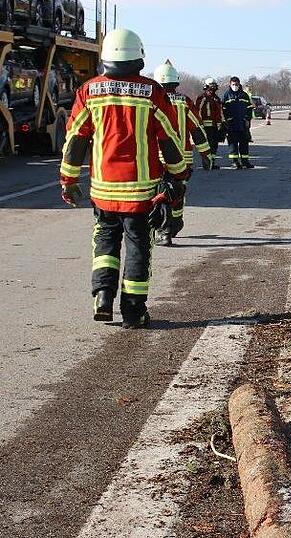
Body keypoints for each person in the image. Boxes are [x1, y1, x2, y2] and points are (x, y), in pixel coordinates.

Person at [59, 28, 191, 329]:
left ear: (105, 57)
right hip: (141, 194)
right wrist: (179, 175)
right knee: (138, 248)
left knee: (105, 242)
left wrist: (68, 180)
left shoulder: (89, 91)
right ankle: (133, 312)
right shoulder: (152, 92)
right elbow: (169, 139)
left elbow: (75, 140)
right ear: (139, 57)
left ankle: (103, 296)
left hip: (103, 191)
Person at [153, 60, 212, 247]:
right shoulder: (184, 101)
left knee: (161, 193)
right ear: (175, 81)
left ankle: (164, 230)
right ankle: (176, 222)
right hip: (183, 158)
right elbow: (197, 130)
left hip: (157, 158)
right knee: (178, 190)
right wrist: (206, 154)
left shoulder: (151, 101)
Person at [222, 76, 255, 169]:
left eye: (236, 84)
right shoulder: (226, 95)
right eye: (233, 84)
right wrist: (227, 120)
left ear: (239, 84)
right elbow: (223, 109)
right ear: (230, 84)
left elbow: (249, 108)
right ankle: (234, 162)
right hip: (232, 124)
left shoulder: (244, 95)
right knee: (233, 144)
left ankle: (245, 161)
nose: (235, 86)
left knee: (244, 143)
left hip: (243, 124)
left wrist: (248, 119)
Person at [196, 77, 224, 170]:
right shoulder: (202, 97)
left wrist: (222, 123)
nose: (213, 87)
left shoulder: (216, 98)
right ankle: (206, 163)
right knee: (207, 145)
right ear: (207, 86)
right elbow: (197, 111)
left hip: (215, 126)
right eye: (212, 85)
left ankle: (212, 162)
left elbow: (220, 112)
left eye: (214, 85)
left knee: (214, 145)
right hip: (206, 126)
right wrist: (200, 124)